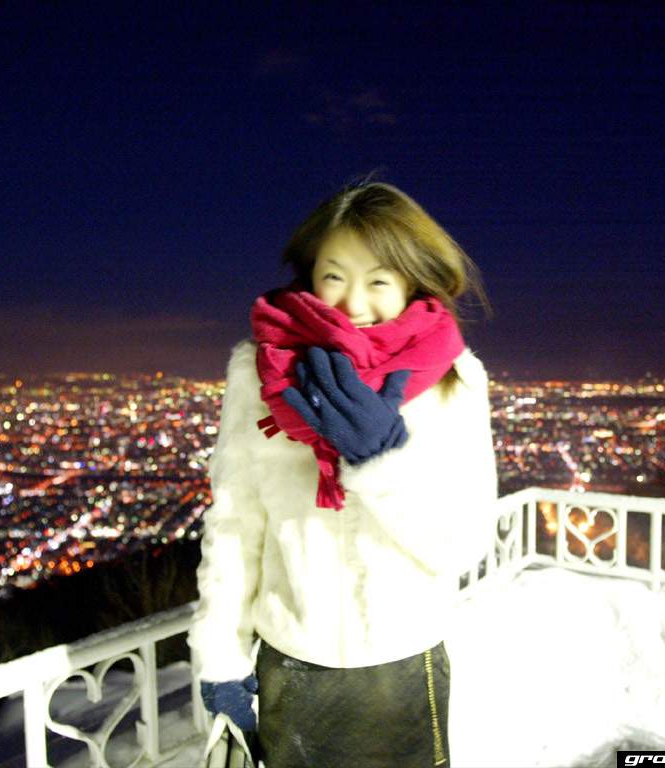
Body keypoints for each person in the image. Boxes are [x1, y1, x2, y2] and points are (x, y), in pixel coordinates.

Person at [188, 179, 498, 768]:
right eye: (334, 276)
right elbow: (235, 523)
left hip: (401, 663)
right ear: (310, 275)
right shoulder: (261, 373)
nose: (352, 303)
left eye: (378, 280)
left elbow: (463, 544)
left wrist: (380, 460)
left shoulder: (453, 379)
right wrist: (221, 654)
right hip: (290, 658)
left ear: (412, 281)